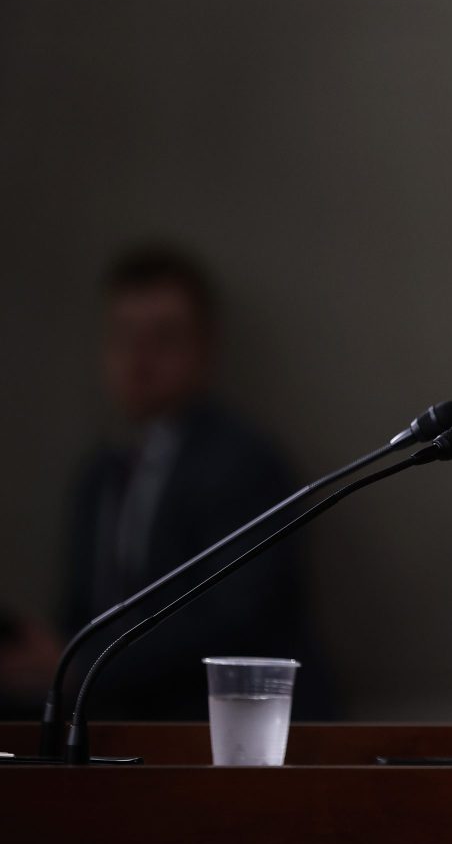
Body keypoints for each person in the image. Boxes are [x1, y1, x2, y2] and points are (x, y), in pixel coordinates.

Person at [61, 245, 330, 720]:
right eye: (125, 336)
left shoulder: (243, 461)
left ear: (204, 348)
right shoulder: (99, 472)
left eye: (163, 338)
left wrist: (86, 666)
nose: (139, 358)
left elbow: (234, 622)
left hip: (225, 723)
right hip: (117, 717)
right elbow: (81, 604)